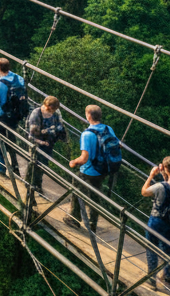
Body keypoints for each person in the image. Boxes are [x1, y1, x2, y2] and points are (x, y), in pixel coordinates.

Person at [65, 104, 120, 234]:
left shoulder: (87, 134)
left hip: (89, 170)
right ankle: (92, 223)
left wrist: (73, 162)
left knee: (77, 191)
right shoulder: (108, 129)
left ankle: (73, 218)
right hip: (104, 170)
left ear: (88, 116)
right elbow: (117, 145)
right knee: (95, 195)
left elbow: (84, 158)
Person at [0, 57, 28, 176]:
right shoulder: (19, 78)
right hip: (15, 115)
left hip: (1, 116)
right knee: (11, 139)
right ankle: (15, 166)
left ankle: (1, 165)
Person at [141, 156, 170, 290]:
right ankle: (167, 277)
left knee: (152, 248)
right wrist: (163, 174)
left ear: (165, 169)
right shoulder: (166, 183)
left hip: (156, 221)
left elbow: (144, 192)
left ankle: (151, 281)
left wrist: (151, 175)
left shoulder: (161, 186)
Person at [26, 95, 67, 194]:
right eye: (52, 109)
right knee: (34, 163)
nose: (53, 112)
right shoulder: (36, 114)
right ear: (47, 106)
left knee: (43, 165)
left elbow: (59, 126)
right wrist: (42, 140)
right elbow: (31, 136)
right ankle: (30, 186)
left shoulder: (55, 113)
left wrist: (57, 132)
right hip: (37, 143)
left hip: (48, 144)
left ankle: (38, 184)